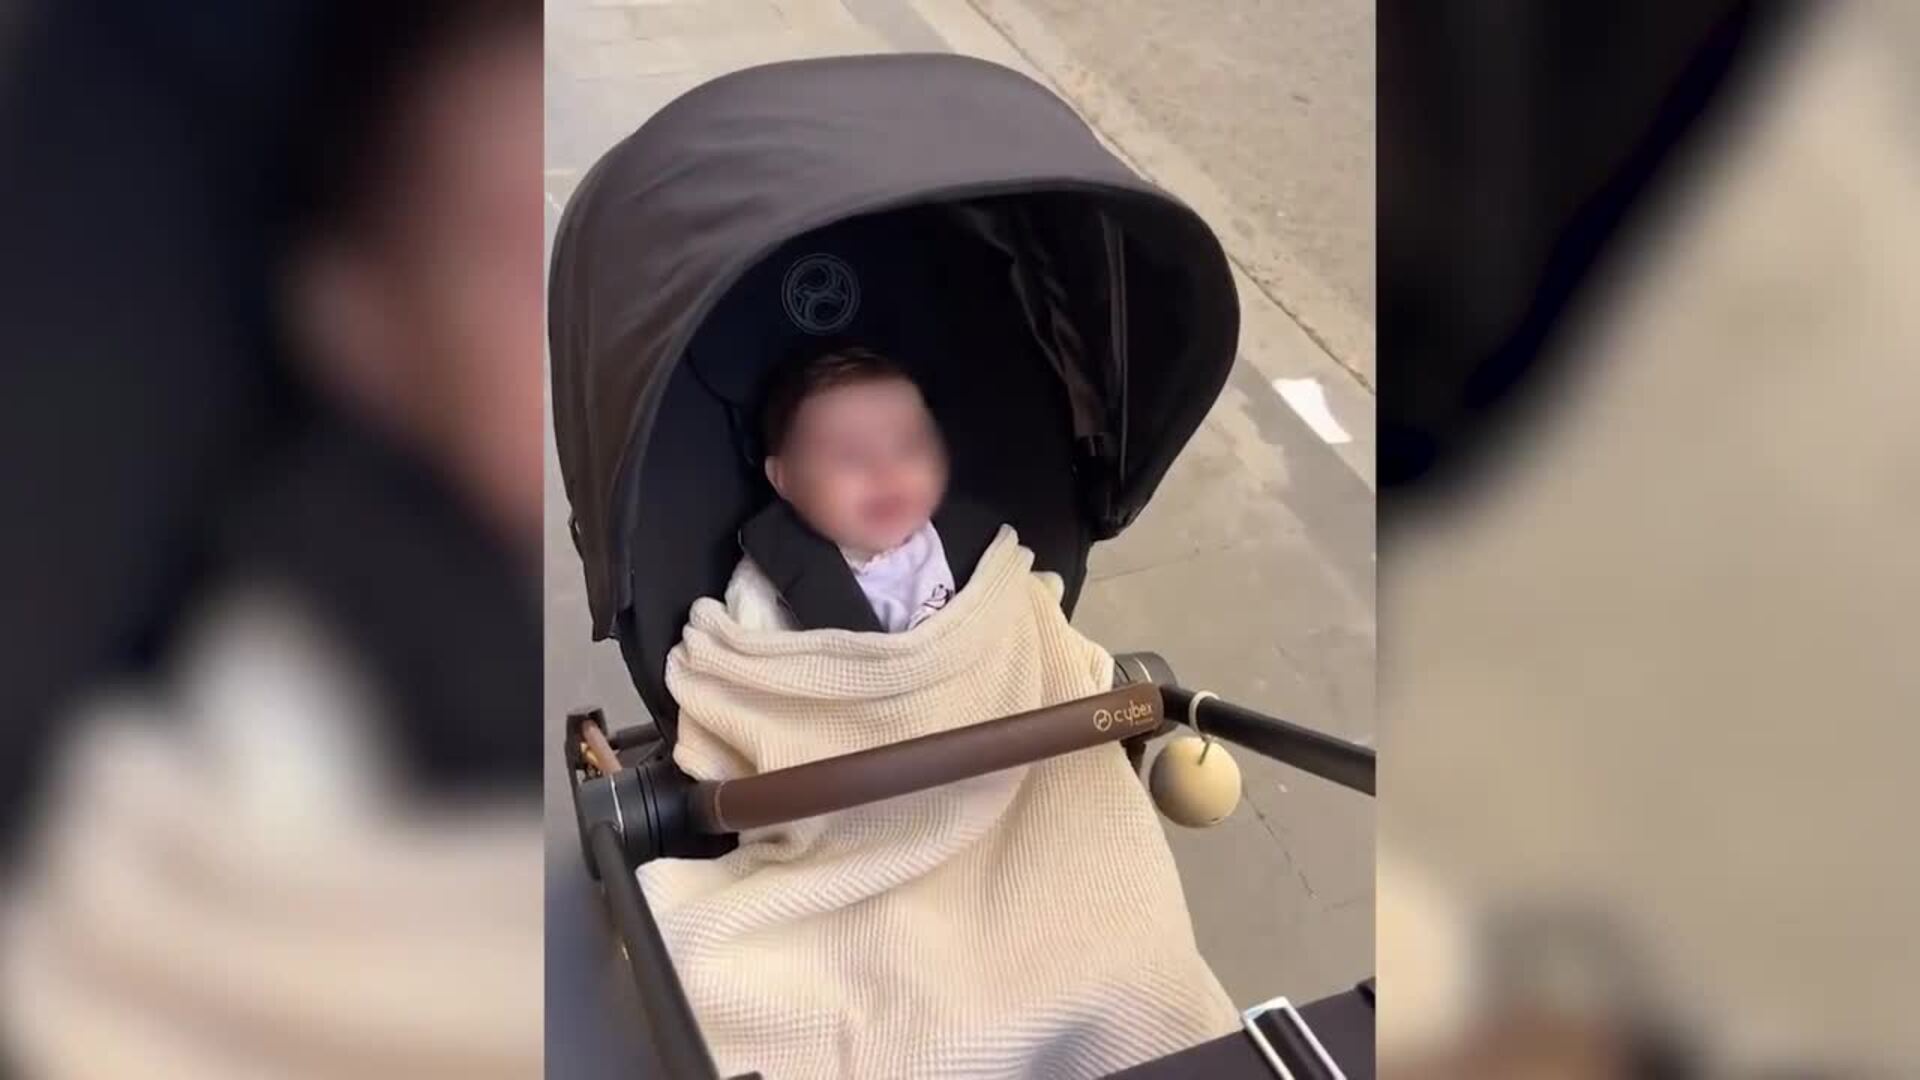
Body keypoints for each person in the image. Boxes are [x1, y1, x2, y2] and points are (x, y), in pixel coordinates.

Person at [729, 345, 960, 633]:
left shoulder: (972, 543)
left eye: (907, 448)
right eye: (851, 455)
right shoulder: (769, 583)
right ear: (785, 478)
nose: (885, 472)